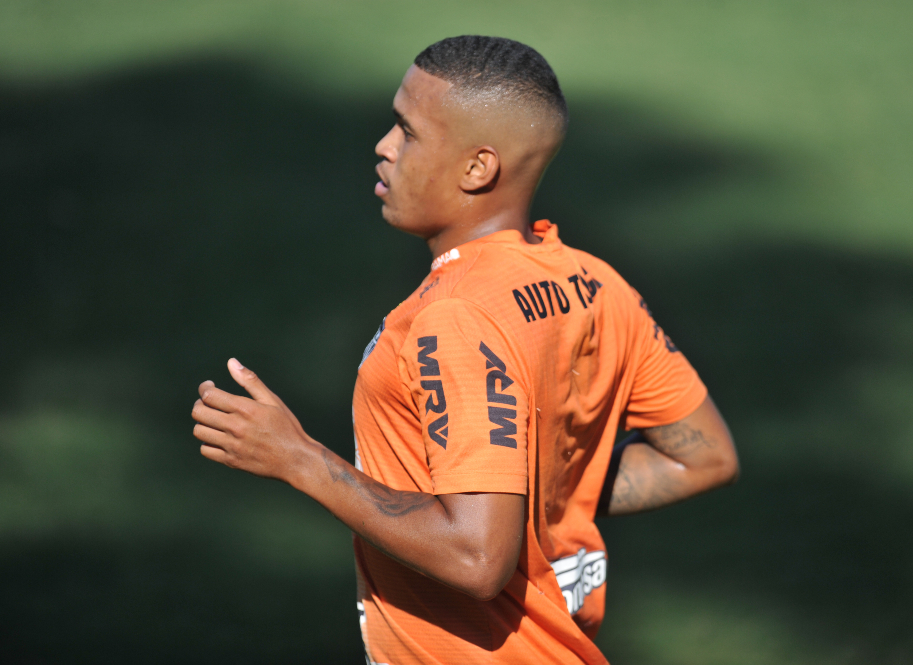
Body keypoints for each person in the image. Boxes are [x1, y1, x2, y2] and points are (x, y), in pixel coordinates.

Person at [191, 35, 739, 665]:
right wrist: (545, 495)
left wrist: (300, 459)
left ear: (478, 168)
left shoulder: (455, 318)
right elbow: (702, 458)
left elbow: (477, 557)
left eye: (408, 131)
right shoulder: (595, 283)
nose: (384, 147)